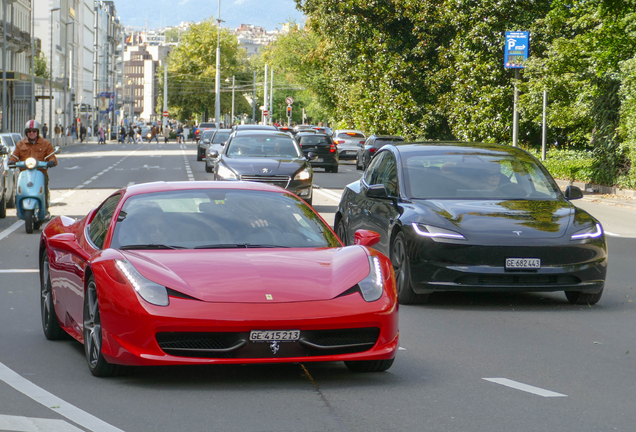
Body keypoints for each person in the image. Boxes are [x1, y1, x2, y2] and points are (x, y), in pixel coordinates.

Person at [8, 120, 58, 218]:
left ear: (38, 132)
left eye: (34, 131)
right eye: (29, 131)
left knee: (44, 187)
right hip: (24, 173)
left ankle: (45, 208)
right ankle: (19, 207)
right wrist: (11, 161)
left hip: (40, 172)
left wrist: (51, 161)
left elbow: (52, 156)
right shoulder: (20, 144)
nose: (31, 133)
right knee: (19, 189)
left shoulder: (45, 143)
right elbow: (14, 155)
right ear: (26, 132)